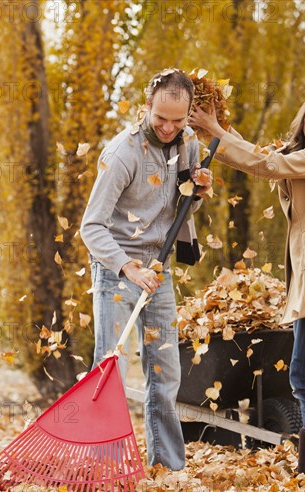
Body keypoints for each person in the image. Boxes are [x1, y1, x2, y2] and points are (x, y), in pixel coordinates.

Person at [189, 88, 305, 477]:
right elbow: (265, 158)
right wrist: (217, 130)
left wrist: (216, 130)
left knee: (302, 373)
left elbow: (267, 165)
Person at [80, 69, 212, 471]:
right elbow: (91, 226)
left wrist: (199, 190)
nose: (169, 127)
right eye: (161, 118)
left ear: (188, 112)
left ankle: (167, 466)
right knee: (111, 369)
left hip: (159, 269)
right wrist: (127, 268)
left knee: (165, 369)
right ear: (147, 106)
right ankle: (103, 465)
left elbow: (179, 208)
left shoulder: (188, 144)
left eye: (178, 119)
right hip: (116, 270)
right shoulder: (122, 153)